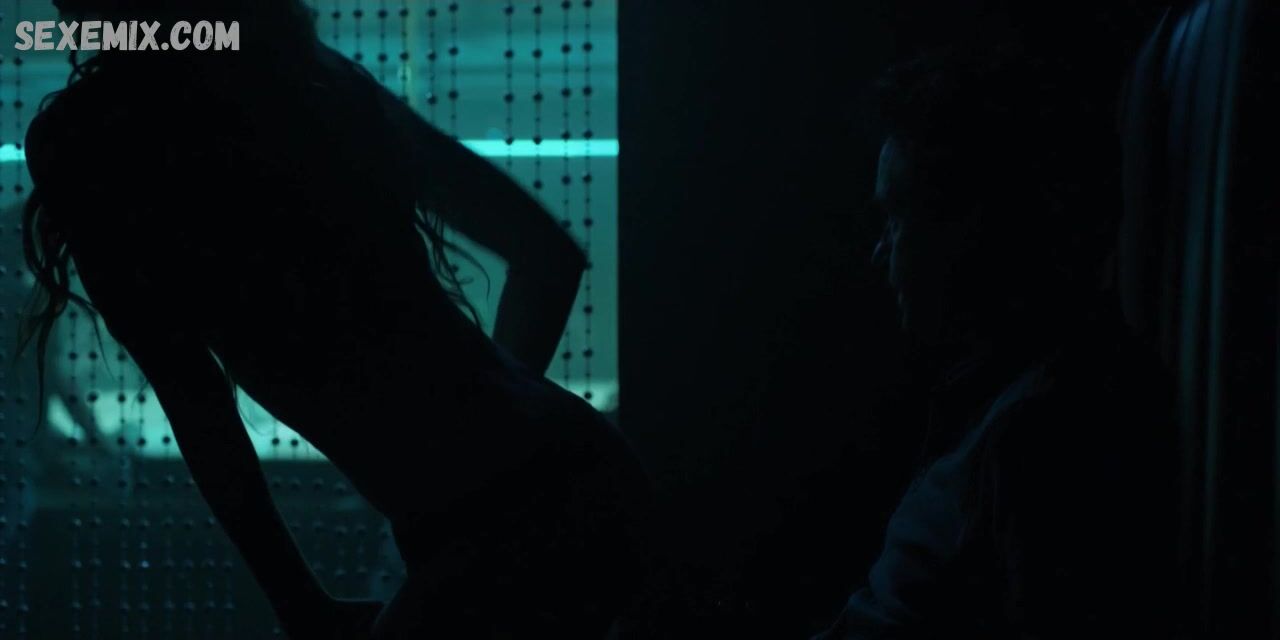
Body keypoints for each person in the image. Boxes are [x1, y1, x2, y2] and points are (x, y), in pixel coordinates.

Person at [18, 1, 651, 638]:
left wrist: (301, 601)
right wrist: (486, 449)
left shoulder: (89, 146)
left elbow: (199, 406)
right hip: (579, 468)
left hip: (481, 524)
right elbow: (547, 258)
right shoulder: (311, 80)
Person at [813, 39, 1184, 638]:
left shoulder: (1046, 433)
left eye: (899, 217)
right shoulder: (1004, 404)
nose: (880, 251)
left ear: (976, 224)